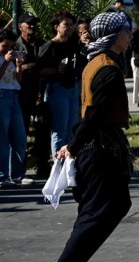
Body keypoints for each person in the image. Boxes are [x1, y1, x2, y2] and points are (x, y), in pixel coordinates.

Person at [44, 12, 136, 262]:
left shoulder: (96, 62)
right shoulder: (106, 69)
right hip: (98, 150)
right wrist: (73, 145)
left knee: (108, 207)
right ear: (114, 36)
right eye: (126, 31)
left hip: (96, 147)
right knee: (97, 213)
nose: (130, 36)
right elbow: (94, 113)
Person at [36, 11, 87, 161]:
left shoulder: (73, 44)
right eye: (66, 25)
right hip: (57, 88)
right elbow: (38, 69)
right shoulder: (49, 46)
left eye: (72, 25)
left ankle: (68, 164)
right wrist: (55, 70)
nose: (70, 28)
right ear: (56, 27)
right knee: (59, 129)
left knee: (72, 129)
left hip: (73, 88)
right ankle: (58, 165)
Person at [0, 29, 31, 185]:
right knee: (3, 140)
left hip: (13, 96)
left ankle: (17, 174)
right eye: (5, 46)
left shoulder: (10, 60)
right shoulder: (4, 59)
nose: (9, 50)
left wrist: (18, 65)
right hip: (1, 96)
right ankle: (2, 175)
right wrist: (5, 60)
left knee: (19, 137)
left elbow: (18, 81)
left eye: (11, 46)